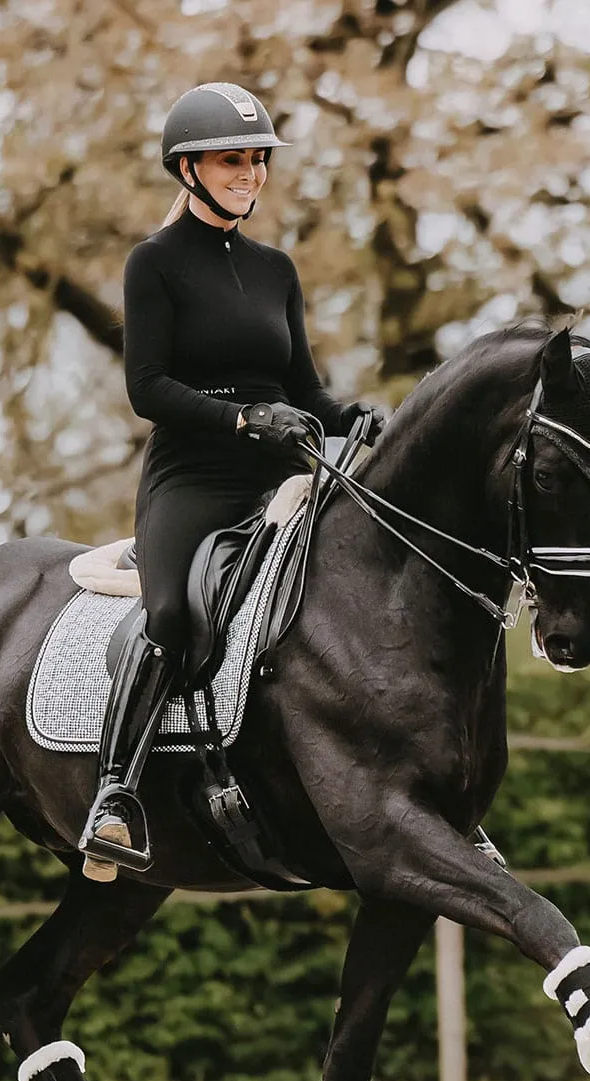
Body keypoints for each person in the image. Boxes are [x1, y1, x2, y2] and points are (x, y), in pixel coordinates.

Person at [78, 81, 385, 880]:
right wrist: (246, 419)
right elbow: (147, 389)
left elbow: (304, 391)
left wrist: (356, 417)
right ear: (188, 169)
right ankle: (116, 793)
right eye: (231, 160)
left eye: (256, 160)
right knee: (174, 611)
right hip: (195, 474)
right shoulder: (155, 265)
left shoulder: (277, 269)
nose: (250, 173)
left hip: (283, 475)